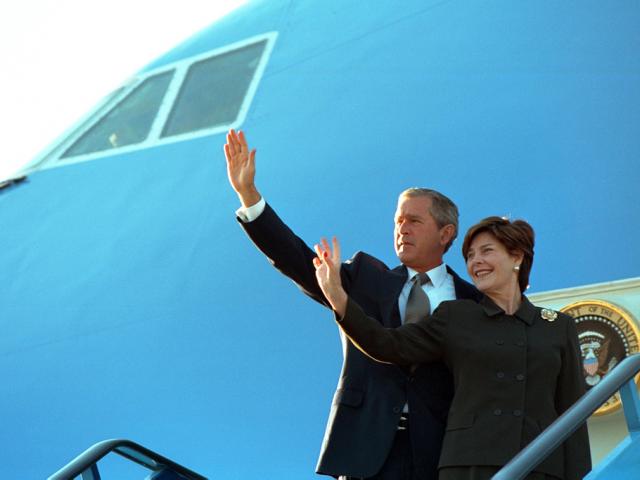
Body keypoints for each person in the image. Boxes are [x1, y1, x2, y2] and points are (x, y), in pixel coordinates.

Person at [224, 129, 482, 480]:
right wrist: (249, 195)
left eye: (415, 221)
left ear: (446, 233)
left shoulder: (474, 302)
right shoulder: (363, 277)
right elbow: (297, 259)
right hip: (366, 450)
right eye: (398, 221)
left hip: (439, 455)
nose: (402, 229)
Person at [313, 217, 592, 480]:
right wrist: (340, 301)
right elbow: (389, 345)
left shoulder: (558, 327)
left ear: (516, 257)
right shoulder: (456, 316)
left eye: (486, 251)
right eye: (470, 256)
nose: (476, 262)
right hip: (467, 466)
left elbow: (573, 415)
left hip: (541, 467)